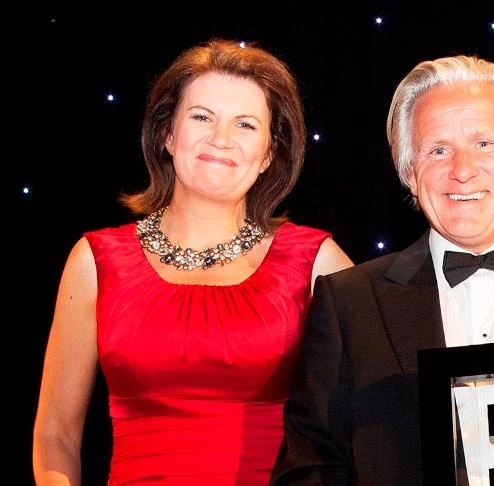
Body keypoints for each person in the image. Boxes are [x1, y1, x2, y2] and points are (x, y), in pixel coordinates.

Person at [271, 55, 494, 486]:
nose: (462, 171)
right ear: (408, 171)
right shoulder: (349, 303)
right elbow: (312, 466)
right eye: (438, 150)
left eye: (483, 143)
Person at [32, 39, 353, 485]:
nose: (220, 139)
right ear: (166, 133)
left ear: (269, 155)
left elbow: (373, 416)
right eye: (202, 117)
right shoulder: (95, 261)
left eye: (245, 125)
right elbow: (56, 434)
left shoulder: (315, 261)